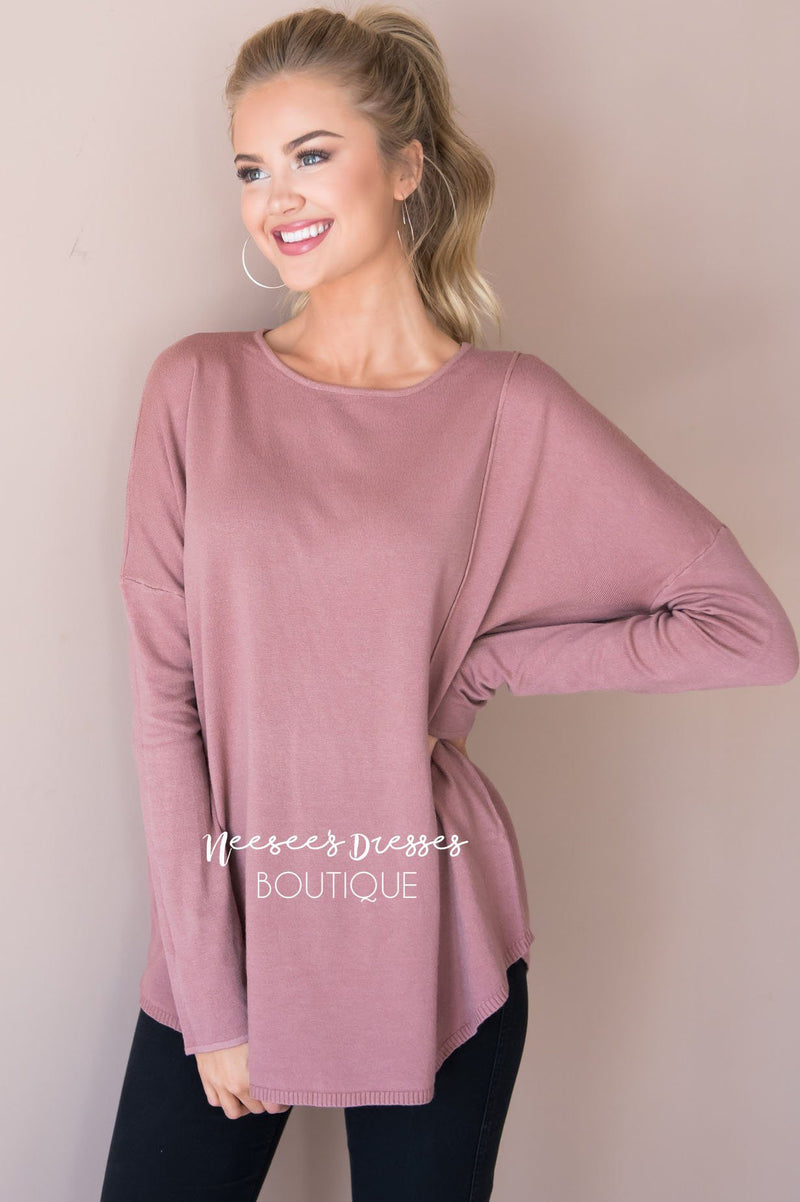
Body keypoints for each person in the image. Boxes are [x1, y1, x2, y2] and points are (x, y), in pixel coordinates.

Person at [100, 5, 799, 1200]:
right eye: (251, 168)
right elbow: (169, 705)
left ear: (405, 166)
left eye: (311, 153)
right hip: (233, 922)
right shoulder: (195, 387)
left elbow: (747, 630)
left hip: (428, 929)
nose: (276, 196)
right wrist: (210, 1002)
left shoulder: (507, 409)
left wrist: (482, 664)